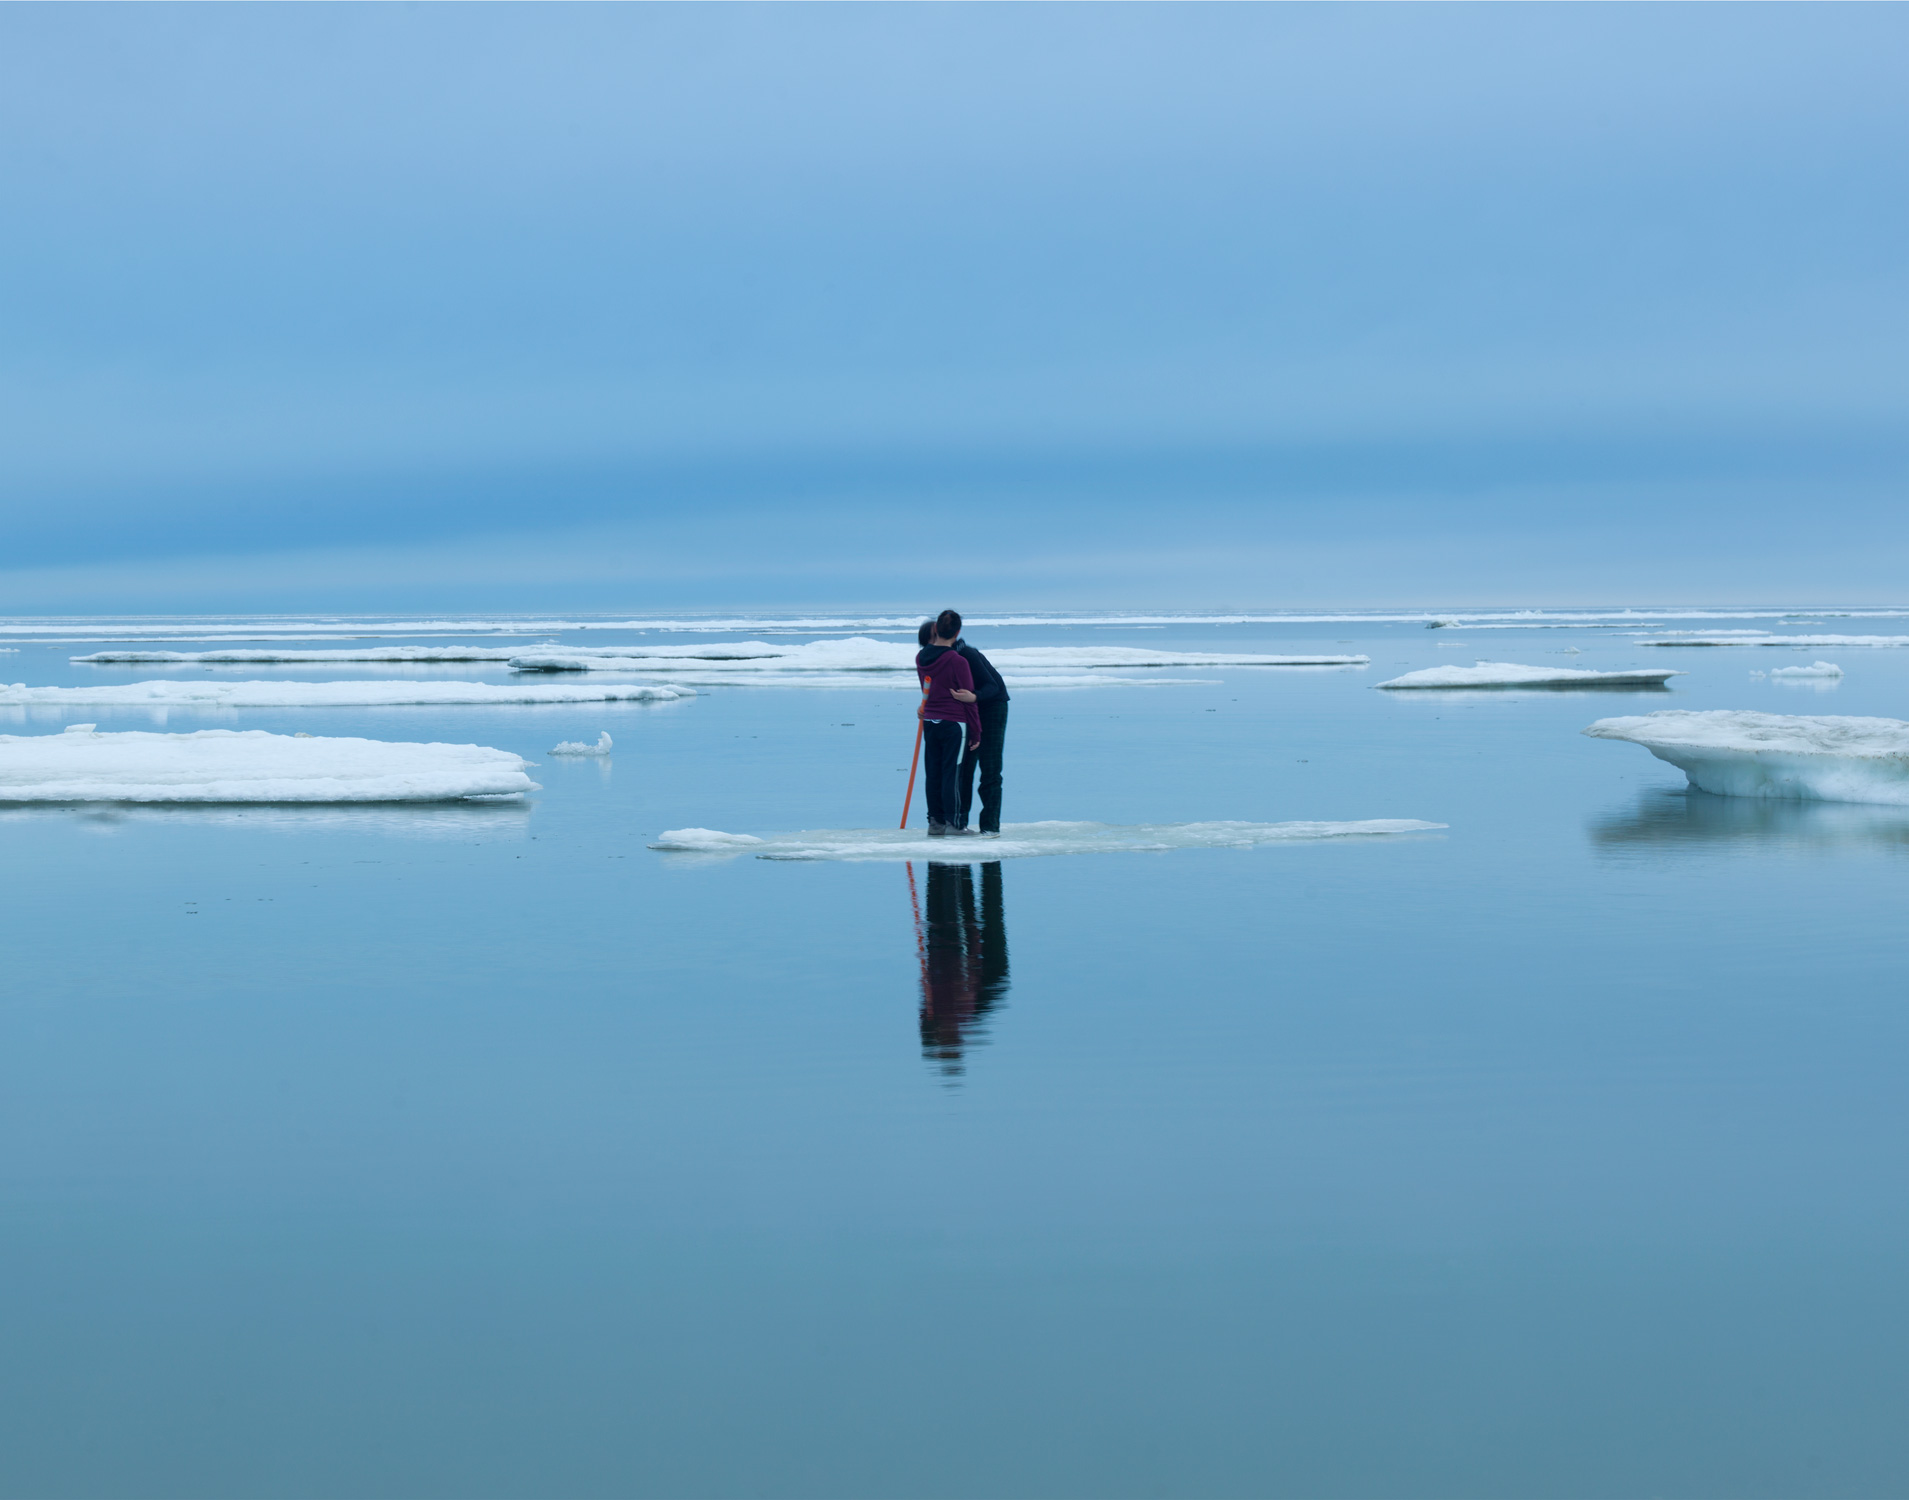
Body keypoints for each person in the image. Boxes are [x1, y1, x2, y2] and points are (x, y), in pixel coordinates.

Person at [937, 609, 1010, 835]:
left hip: (992, 707)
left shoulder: (967, 654)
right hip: (967, 712)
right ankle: (960, 824)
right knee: (964, 768)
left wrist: (975, 697)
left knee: (989, 769)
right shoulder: (940, 656)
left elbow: (994, 687)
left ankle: (990, 827)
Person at [914, 615, 981, 836]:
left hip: (931, 722)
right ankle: (954, 824)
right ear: (957, 632)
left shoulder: (921, 657)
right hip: (954, 723)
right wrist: (976, 731)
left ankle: (935, 822)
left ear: (935, 628)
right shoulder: (957, 661)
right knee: (952, 773)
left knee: (933, 772)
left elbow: (927, 687)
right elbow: (967, 697)